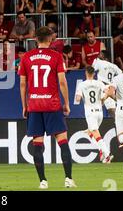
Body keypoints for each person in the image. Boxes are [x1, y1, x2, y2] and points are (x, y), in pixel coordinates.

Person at [18, 26, 76, 189]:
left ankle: (43, 181)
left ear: (35, 39)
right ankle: (68, 179)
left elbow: (22, 84)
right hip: (52, 105)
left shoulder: (27, 57)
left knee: (37, 144)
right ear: (50, 39)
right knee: (63, 141)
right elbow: (62, 82)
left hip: (34, 106)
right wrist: (67, 103)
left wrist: (24, 105)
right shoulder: (57, 56)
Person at [75, 66, 114, 163]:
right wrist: (103, 99)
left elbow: (77, 99)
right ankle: (102, 152)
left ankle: (107, 153)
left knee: (95, 133)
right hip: (99, 112)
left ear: (86, 73)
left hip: (90, 113)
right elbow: (109, 91)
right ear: (94, 74)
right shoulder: (99, 83)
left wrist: (79, 96)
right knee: (90, 133)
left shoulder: (82, 85)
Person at [92, 50, 122, 119]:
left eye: (100, 54)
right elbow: (120, 73)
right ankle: (119, 124)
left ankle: (93, 126)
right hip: (110, 87)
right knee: (112, 109)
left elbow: (92, 70)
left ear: (103, 56)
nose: (99, 55)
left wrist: (95, 61)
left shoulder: (99, 62)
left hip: (101, 86)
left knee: (95, 107)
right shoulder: (113, 66)